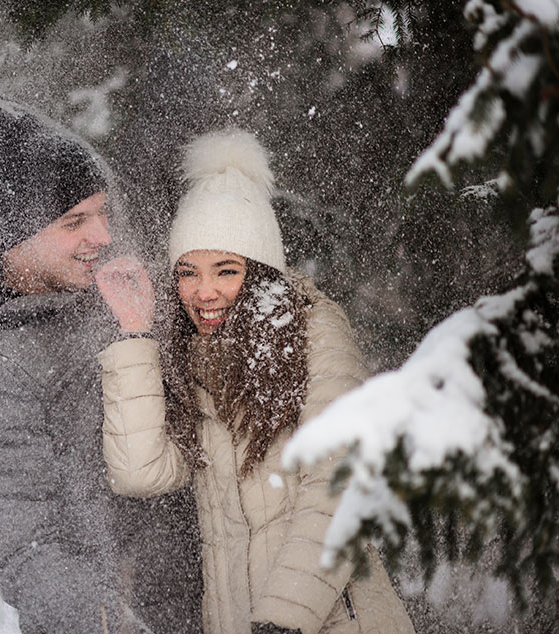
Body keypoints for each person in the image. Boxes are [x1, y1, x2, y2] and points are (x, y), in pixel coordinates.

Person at [95, 129, 415, 634]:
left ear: (261, 271)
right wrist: (135, 332)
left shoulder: (314, 332)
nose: (205, 292)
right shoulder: (192, 358)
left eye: (226, 270)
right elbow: (141, 471)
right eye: (187, 271)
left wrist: (282, 619)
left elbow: (342, 488)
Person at [0, 97, 203, 634]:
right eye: (75, 221)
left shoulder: (106, 293)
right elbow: (25, 550)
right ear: (15, 236)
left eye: (101, 213)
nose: (101, 235)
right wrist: (111, 624)